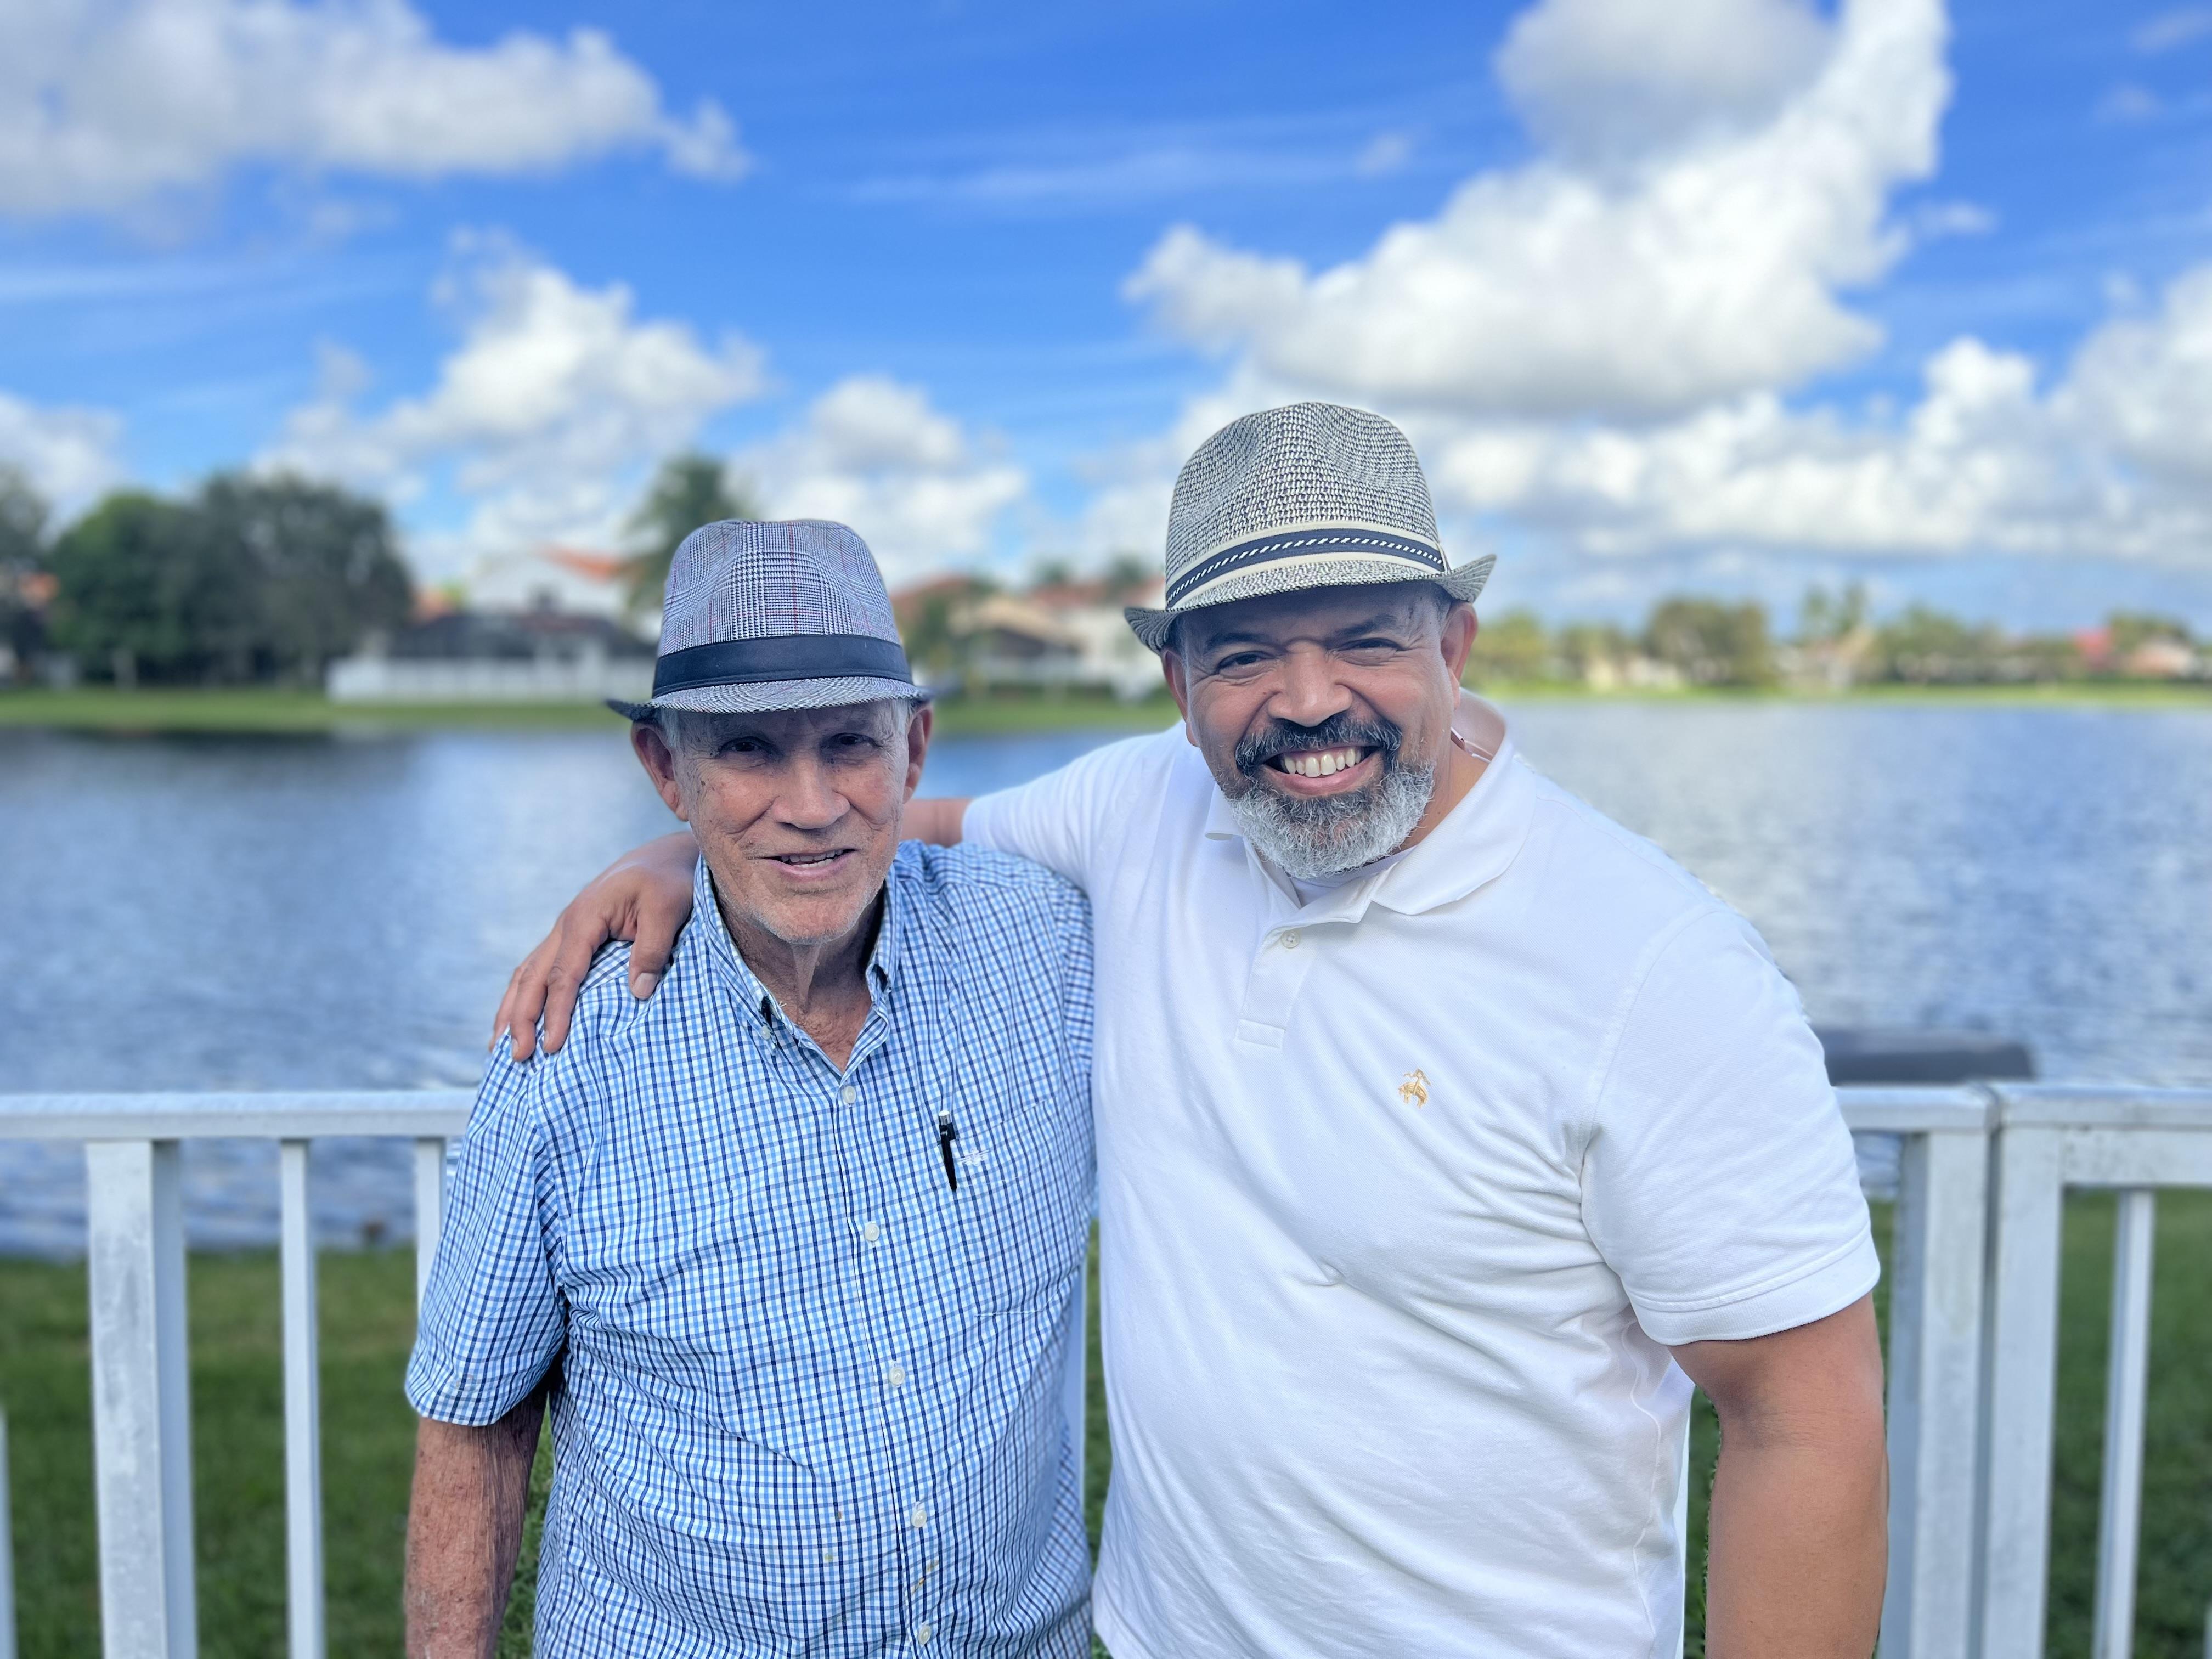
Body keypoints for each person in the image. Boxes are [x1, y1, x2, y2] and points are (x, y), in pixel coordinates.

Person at [498, 404, 1889, 1658]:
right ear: (1177, 687)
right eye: (1241, 657)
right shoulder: (1145, 807)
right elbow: (877, 825)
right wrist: (682, 855)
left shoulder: (1656, 964)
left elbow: (1808, 1425)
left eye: (1363, 639)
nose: (1306, 700)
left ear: (1452, 646)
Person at [406, 520, 1097, 1658]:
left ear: (914, 750)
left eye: (848, 744)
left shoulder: (1049, 946)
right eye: (748, 752)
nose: (813, 802)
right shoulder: (569, 1040)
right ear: (666, 770)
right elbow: (473, 1425)